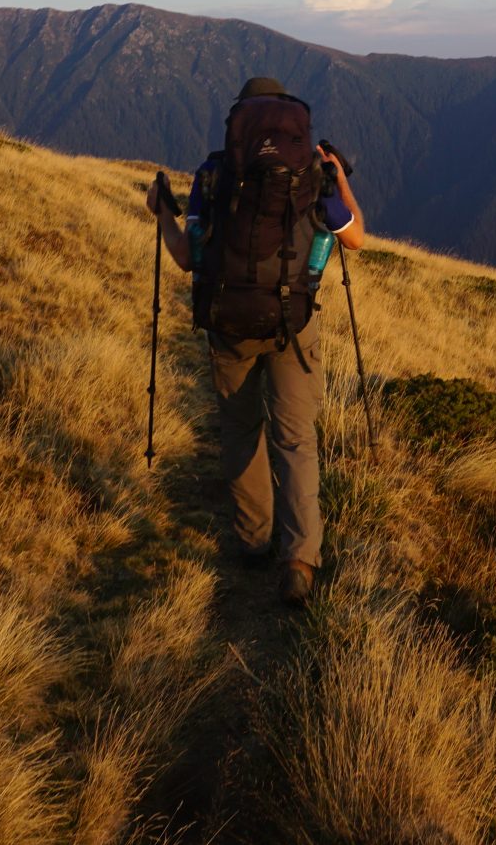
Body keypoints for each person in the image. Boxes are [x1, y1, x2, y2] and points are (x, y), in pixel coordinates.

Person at [146, 76, 366, 605]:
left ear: (239, 125)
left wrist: (160, 214)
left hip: (229, 323)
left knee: (242, 431)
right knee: (295, 440)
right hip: (294, 325)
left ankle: (252, 541)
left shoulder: (213, 174)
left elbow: (185, 256)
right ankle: (299, 563)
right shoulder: (312, 178)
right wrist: (338, 178)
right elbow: (355, 238)